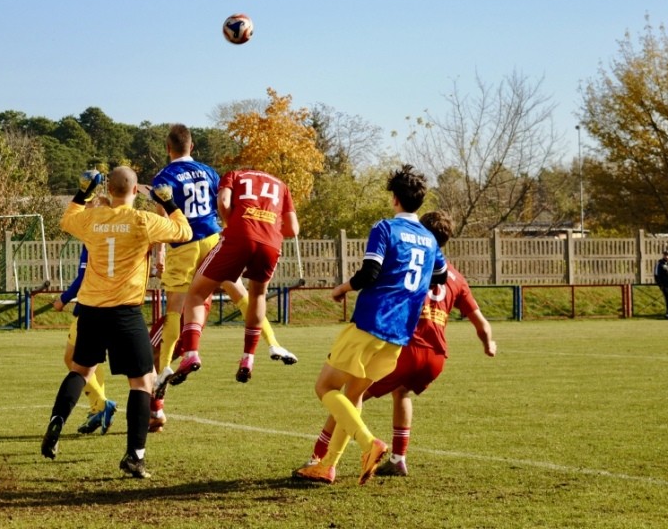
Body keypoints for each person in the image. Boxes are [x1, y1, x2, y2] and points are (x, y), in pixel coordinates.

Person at [296, 210, 494, 481]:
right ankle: (396, 458)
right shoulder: (454, 277)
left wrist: (344, 288)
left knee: (343, 394)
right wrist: (489, 343)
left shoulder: (401, 251)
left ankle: (324, 455)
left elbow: (372, 273)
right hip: (435, 354)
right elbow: (479, 320)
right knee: (397, 394)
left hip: (397, 338)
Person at [293, 164, 447, 486]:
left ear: (394, 198)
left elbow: (369, 275)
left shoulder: (385, 228)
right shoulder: (431, 241)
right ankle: (328, 466)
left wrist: (341, 289)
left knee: (325, 388)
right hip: (399, 334)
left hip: (370, 322)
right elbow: (441, 276)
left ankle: (368, 443)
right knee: (353, 395)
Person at [40, 166, 192, 479]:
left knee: (81, 370)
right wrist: (170, 202)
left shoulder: (93, 218)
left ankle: (56, 420)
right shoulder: (144, 221)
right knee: (142, 382)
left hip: (92, 309)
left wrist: (83, 193)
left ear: (107, 191)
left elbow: (67, 218)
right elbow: (184, 232)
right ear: (136, 191)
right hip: (125, 311)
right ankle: (134, 456)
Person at [146, 125, 296, 431]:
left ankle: (165, 369)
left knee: (177, 305)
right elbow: (222, 203)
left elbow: (163, 218)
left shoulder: (164, 177)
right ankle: (272, 341)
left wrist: (158, 254)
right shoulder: (209, 171)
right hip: (214, 236)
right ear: (193, 145)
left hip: (183, 240)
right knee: (242, 291)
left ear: (168, 147)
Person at [154, 166, 298, 391]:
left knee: (191, 297)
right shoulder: (280, 184)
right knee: (253, 295)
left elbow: (222, 202)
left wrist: (236, 224)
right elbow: (293, 228)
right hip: (263, 240)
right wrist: (266, 225)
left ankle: (181, 359)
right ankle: (256, 353)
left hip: (191, 241)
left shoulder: (234, 175)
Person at [52, 240, 117, 435]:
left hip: (91, 308)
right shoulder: (108, 234)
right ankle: (98, 407)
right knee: (90, 360)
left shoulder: (92, 239)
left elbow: (83, 277)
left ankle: (101, 404)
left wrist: (62, 300)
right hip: (112, 305)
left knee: (74, 360)